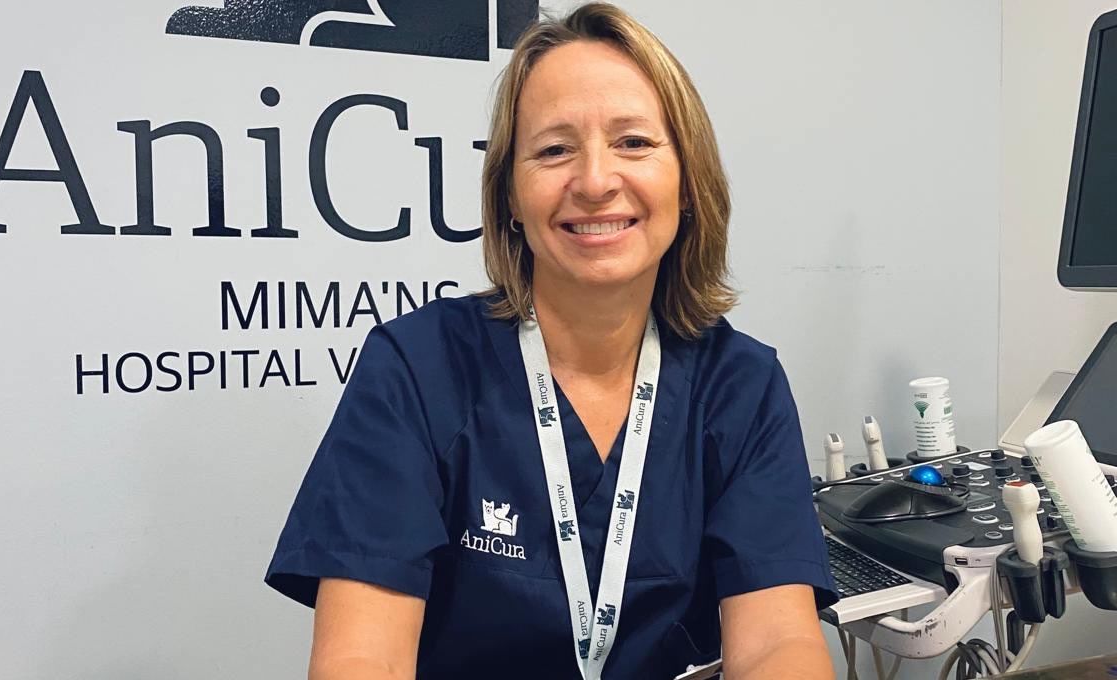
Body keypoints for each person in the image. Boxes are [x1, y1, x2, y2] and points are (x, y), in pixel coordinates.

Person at [265, 4, 838, 679]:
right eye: (554, 150)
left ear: (688, 183)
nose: (595, 182)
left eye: (634, 142)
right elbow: (365, 657)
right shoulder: (416, 371)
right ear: (510, 195)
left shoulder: (741, 385)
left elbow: (778, 642)